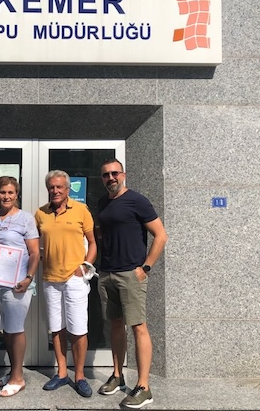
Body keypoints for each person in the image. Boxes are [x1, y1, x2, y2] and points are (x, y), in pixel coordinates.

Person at [96, 158, 168, 409]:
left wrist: (145, 267)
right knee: (116, 324)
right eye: (106, 175)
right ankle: (117, 376)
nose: (111, 178)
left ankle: (144, 387)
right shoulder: (103, 202)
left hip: (130, 273)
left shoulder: (137, 200)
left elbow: (161, 235)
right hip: (107, 273)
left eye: (115, 173)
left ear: (123, 174)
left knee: (138, 327)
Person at [34, 170, 97, 398]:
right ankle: (61, 373)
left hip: (74, 278)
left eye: (59, 187)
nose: (55, 191)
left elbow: (92, 242)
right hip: (50, 278)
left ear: (68, 189)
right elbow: (33, 243)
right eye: (51, 187)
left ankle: (79, 376)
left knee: (78, 329)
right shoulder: (40, 213)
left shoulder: (81, 210)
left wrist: (85, 267)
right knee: (57, 328)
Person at [0, 176, 40, 397]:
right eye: (2, 192)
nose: (6, 196)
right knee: (5, 329)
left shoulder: (26, 219)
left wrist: (29, 278)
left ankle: (18, 377)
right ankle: (13, 371)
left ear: (17, 195)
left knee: (15, 328)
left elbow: (34, 253)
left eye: (11, 193)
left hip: (17, 283)